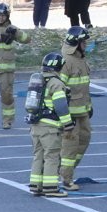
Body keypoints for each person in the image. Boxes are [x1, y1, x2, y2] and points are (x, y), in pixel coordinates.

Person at [28, 52, 75, 198]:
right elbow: (61, 106)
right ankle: (50, 188)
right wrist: (68, 123)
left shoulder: (39, 80)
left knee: (38, 156)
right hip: (50, 127)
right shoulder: (56, 83)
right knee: (52, 157)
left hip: (36, 126)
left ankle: (36, 186)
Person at [59, 26, 92, 191]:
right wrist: (63, 115)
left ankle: (63, 169)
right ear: (76, 43)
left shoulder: (80, 59)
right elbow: (59, 90)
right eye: (83, 41)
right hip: (70, 113)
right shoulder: (66, 61)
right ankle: (66, 178)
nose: (86, 44)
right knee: (70, 146)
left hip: (83, 111)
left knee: (84, 140)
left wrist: (89, 105)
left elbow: (84, 87)